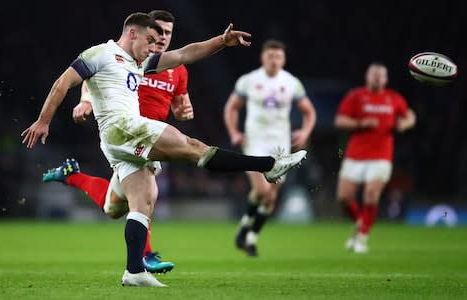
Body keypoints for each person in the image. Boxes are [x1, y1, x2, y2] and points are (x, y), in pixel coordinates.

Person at [21, 13, 307, 287]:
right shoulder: (101, 54)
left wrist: (221, 41)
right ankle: (268, 165)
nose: (151, 49)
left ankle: (134, 271)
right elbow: (64, 82)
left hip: (120, 142)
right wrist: (44, 121)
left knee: (136, 202)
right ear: (133, 33)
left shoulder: (138, 62)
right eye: (149, 41)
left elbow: (184, 54)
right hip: (124, 127)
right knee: (193, 147)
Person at [42, 10, 191, 274]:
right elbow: (93, 77)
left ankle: (72, 175)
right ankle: (145, 256)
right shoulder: (128, 56)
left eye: (169, 33)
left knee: (113, 206)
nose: (164, 38)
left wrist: (183, 109)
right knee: (146, 193)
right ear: (147, 32)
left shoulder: (176, 70)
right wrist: (85, 101)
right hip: (126, 137)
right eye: (160, 33)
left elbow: (180, 102)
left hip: (152, 136)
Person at [224, 40, 316, 257]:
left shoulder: (292, 83)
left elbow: (309, 112)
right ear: (262, 58)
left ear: (283, 59)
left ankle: (249, 236)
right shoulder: (249, 80)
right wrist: (234, 132)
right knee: (262, 190)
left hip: (280, 145)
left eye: (278, 57)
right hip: (254, 141)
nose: (274, 61)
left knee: (270, 198)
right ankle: (245, 233)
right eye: (270, 56)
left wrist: (305, 132)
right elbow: (232, 107)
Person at [334, 62, 416, 253]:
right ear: (367, 76)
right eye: (374, 74)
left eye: (381, 75)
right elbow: (340, 121)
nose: (377, 77)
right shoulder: (356, 96)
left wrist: (405, 124)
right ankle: (359, 223)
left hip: (381, 156)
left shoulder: (393, 98)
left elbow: (409, 115)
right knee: (343, 198)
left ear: (386, 79)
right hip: (355, 154)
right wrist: (361, 123)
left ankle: (362, 237)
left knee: (371, 194)